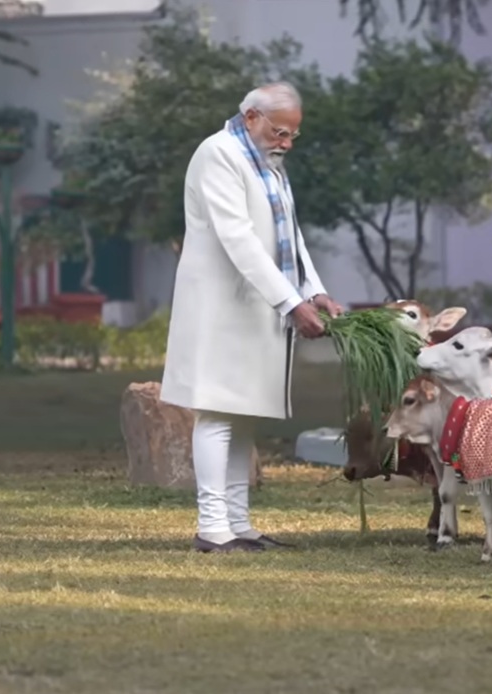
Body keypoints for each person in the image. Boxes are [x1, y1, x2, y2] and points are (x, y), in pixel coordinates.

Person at [160, 81, 344, 553]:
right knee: (219, 411)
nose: (285, 143)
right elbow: (238, 237)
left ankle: (239, 525)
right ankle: (212, 526)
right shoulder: (218, 154)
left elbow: (290, 234)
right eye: (280, 133)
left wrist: (314, 289)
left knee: (243, 416)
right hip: (221, 305)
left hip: (258, 302)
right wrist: (291, 303)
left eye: (292, 136)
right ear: (250, 118)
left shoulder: (268, 164)